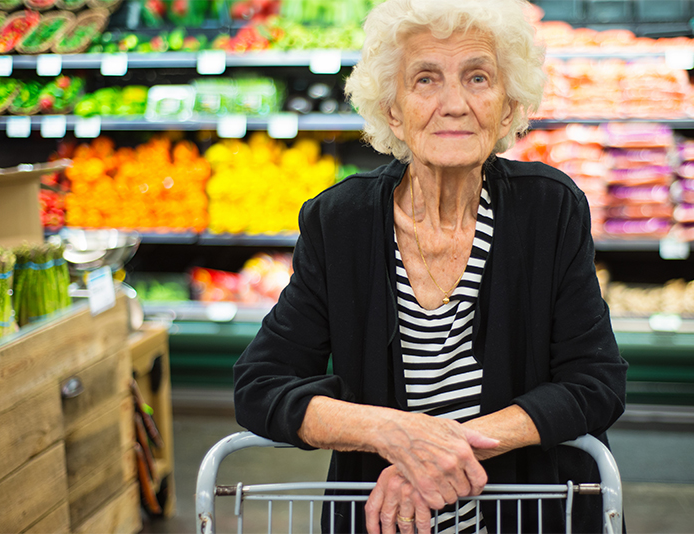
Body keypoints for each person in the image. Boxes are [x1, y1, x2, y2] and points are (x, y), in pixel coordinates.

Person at [234, 0, 628, 532]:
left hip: (531, 514)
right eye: (425, 79)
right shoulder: (339, 223)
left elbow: (595, 381)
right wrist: (392, 433)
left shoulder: (550, 209)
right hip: (385, 521)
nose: (454, 104)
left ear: (508, 106)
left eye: (478, 77)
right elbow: (260, 385)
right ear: (392, 109)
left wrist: (441, 452)